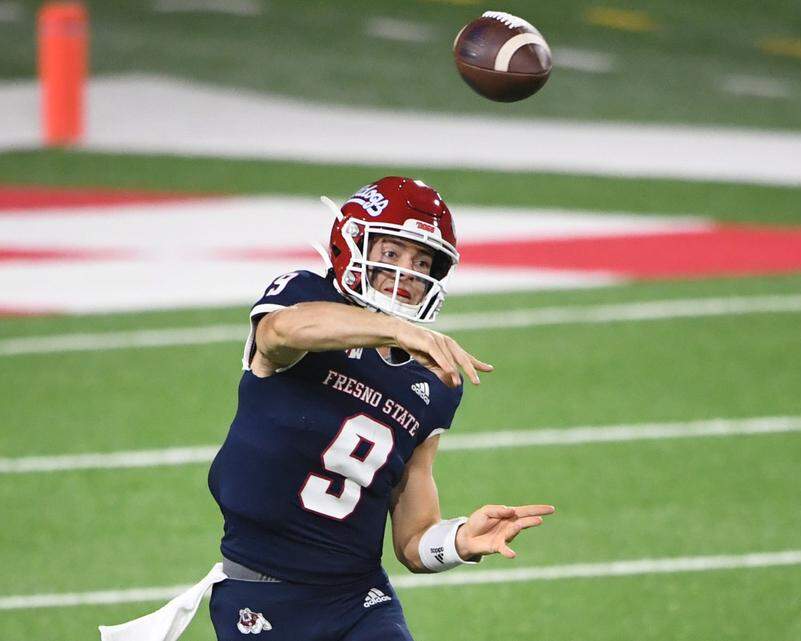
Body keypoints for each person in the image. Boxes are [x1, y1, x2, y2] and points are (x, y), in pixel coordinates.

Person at [98, 177, 554, 641]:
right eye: (391, 254)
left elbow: (414, 540)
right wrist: (392, 330)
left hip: (358, 599)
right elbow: (280, 333)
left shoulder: (433, 381)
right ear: (352, 245)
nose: (407, 273)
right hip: (261, 593)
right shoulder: (305, 296)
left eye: (421, 262)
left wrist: (459, 541)